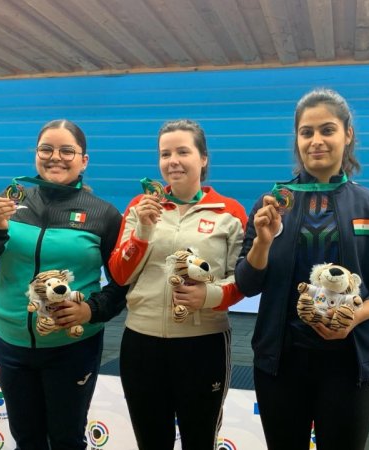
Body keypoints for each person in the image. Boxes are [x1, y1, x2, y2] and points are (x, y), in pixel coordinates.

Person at [235, 88, 369, 450]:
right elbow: (247, 283)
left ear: (348, 135)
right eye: (307, 132)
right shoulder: (270, 204)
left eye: (327, 130)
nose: (316, 141)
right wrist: (263, 242)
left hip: (350, 365)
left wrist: (358, 313)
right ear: (297, 139)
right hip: (281, 364)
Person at [0, 119, 127, 450]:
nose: (56, 157)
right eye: (46, 149)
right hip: (11, 344)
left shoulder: (104, 214)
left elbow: (123, 283)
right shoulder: (10, 201)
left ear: (84, 160)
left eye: (67, 150)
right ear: (35, 154)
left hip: (73, 349)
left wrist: (90, 310)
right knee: (27, 439)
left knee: (67, 440)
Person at [108, 119, 247, 450]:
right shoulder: (139, 207)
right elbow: (120, 274)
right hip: (141, 344)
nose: (173, 160)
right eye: (165, 153)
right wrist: (142, 229)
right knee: (151, 441)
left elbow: (241, 282)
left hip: (204, 345)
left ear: (203, 158)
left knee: (200, 441)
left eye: (183, 151)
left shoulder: (230, 213)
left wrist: (208, 295)